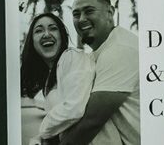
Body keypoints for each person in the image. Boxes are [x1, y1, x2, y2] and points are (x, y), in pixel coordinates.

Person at [58, 0, 141, 145]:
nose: (82, 19)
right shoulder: (102, 51)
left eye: (89, 11)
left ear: (110, 12)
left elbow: (91, 122)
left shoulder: (120, 50)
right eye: (76, 14)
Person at [19, 12, 108, 145]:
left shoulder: (72, 57)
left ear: (62, 36)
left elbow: (74, 109)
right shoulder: (50, 76)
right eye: (39, 30)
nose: (47, 34)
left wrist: (43, 133)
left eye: (53, 28)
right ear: (32, 41)